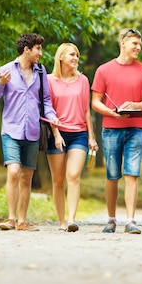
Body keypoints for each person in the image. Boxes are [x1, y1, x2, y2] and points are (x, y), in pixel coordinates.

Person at [0, 32, 59, 232]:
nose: (41, 53)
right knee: (14, 172)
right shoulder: (6, 70)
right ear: (27, 50)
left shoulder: (41, 72)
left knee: (27, 177)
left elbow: (46, 102)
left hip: (33, 132)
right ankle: (10, 218)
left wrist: (52, 116)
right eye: (38, 49)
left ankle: (22, 221)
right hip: (11, 130)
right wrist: (0, 84)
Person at [91, 28, 142, 234]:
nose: (138, 47)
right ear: (122, 43)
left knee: (132, 174)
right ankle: (111, 220)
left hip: (135, 129)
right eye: (134, 43)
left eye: (139, 44)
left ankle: (130, 220)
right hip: (111, 129)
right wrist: (112, 112)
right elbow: (95, 102)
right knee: (112, 175)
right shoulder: (103, 70)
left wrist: (135, 105)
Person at [46, 43, 99, 232]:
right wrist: (56, 134)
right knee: (58, 180)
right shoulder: (49, 80)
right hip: (57, 133)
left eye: (77, 55)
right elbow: (48, 110)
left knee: (74, 175)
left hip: (79, 133)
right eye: (71, 55)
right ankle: (61, 221)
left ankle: (71, 219)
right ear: (61, 57)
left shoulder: (83, 80)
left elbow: (86, 111)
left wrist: (91, 137)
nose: (76, 58)